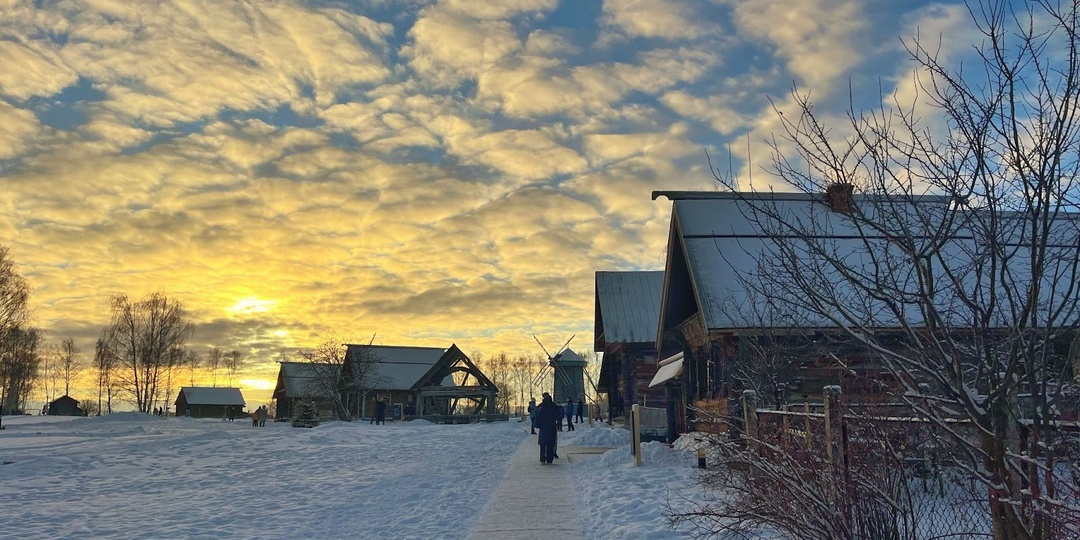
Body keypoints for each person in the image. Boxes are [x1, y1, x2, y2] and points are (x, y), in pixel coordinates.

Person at [535, 392, 560, 464]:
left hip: (543, 427)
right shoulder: (554, 406)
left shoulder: (541, 406)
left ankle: (542, 459)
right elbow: (557, 415)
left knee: (543, 444)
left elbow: (538, 416)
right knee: (550, 443)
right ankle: (549, 459)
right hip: (552, 426)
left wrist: (538, 424)